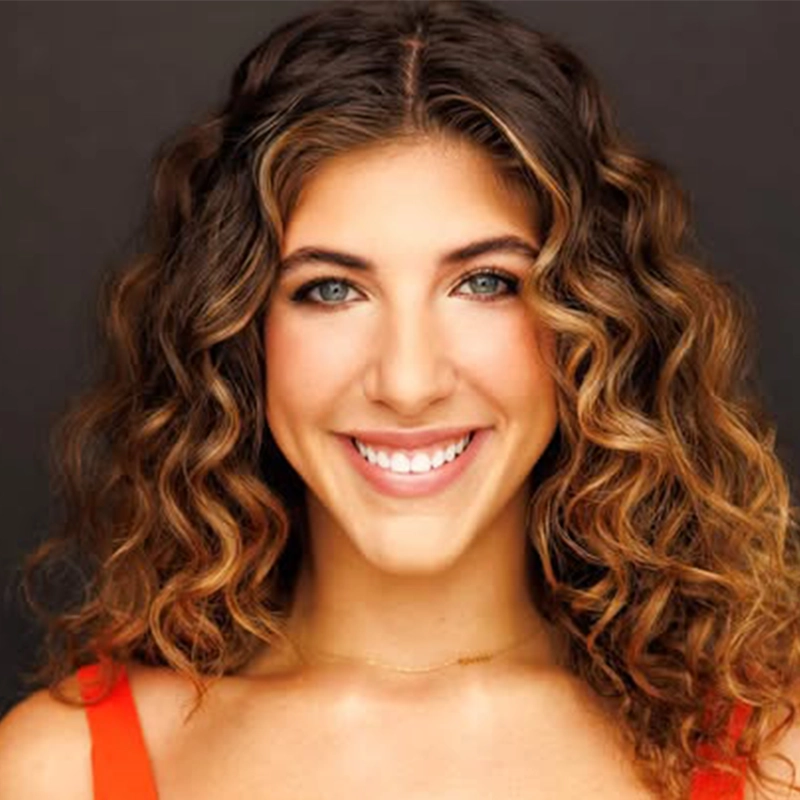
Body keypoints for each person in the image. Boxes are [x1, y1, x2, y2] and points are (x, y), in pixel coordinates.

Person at [0, 1, 798, 798]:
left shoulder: (772, 757)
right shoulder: (55, 769)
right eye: (331, 289)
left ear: (596, 326)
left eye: (485, 283)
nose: (408, 383)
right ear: (237, 334)